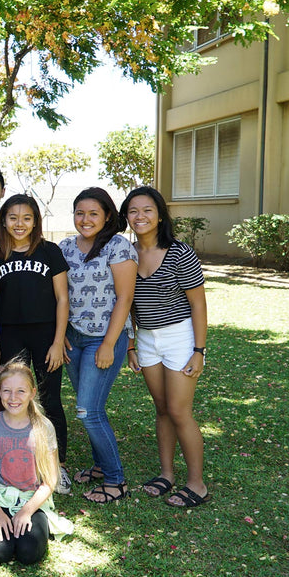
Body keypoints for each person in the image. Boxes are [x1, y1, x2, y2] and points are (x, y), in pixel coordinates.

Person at [121, 186, 211, 508]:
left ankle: (196, 484)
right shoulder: (127, 253)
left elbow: (198, 306)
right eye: (133, 211)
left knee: (178, 410)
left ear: (160, 215)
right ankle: (166, 474)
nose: (140, 216)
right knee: (161, 408)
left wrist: (198, 351)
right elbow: (127, 303)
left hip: (179, 338)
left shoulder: (180, 253)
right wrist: (131, 345)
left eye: (147, 210)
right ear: (126, 216)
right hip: (146, 339)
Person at [0, 194, 72, 495]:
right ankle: (12, 462)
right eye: (13, 217)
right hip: (9, 334)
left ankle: (58, 466)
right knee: (11, 398)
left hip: (46, 334)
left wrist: (58, 340)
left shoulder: (49, 252)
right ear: (4, 220)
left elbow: (62, 299)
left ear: (35, 221)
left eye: (26, 218)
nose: (19, 224)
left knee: (49, 398)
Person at [59, 188, 137, 504]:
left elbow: (125, 298)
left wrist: (108, 344)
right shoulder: (65, 247)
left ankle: (116, 481)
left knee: (88, 411)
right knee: (89, 406)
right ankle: (101, 466)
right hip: (73, 338)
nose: (85, 219)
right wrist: (60, 332)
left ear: (107, 215)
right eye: (80, 212)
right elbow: (59, 294)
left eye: (93, 213)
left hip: (104, 339)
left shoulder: (118, 247)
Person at [0, 358, 72, 565]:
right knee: (1, 551)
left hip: (31, 498)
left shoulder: (43, 427)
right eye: (6, 391)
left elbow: (50, 479)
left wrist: (26, 511)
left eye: (21, 391)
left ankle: (33, 521)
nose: (13, 398)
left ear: (32, 393)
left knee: (29, 552)